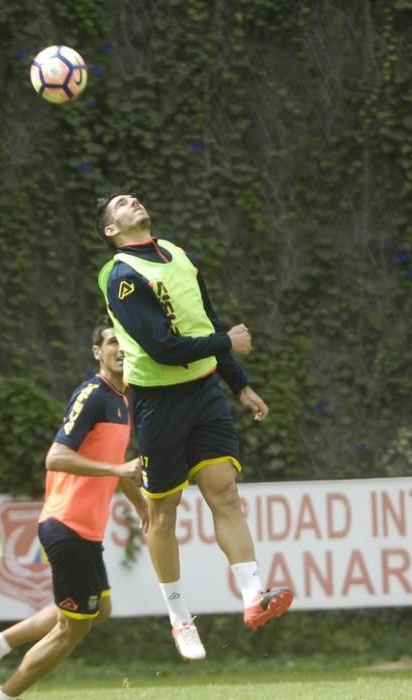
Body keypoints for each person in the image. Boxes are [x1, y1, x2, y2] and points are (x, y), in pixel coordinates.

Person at [95, 192, 293, 662]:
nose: (133, 201)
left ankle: (252, 598)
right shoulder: (120, 275)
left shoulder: (177, 254)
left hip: (204, 391)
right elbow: (163, 347)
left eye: (134, 198)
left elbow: (206, 322)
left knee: (225, 493)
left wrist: (238, 383)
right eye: (121, 204)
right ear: (111, 230)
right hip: (157, 403)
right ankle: (180, 617)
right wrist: (227, 342)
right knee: (163, 514)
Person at [0, 316, 148, 699]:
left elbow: (122, 464)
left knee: (99, 610)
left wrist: (143, 509)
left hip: (85, 531)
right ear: (97, 352)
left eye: (123, 341)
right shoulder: (92, 395)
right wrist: (118, 470)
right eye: (111, 342)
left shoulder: (124, 400)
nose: (118, 348)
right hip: (67, 525)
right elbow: (56, 457)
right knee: (71, 629)